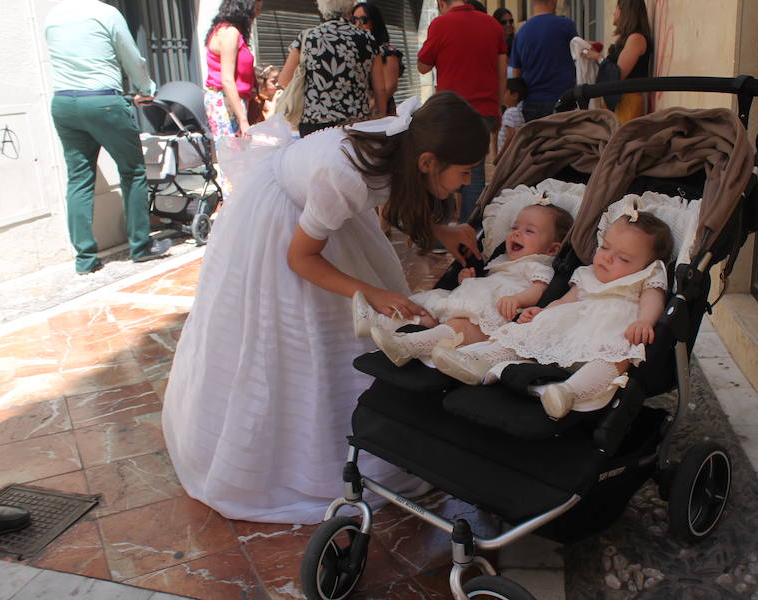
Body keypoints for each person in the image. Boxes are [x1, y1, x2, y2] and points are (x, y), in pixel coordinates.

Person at [161, 92, 489, 524]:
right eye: (463, 173)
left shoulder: (404, 142)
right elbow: (300, 260)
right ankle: (311, 466)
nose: (466, 183)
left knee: (353, 335)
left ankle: (382, 442)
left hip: (320, 213)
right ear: (429, 161)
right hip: (284, 228)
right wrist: (371, 292)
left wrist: (440, 230)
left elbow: (393, 188)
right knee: (301, 341)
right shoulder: (346, 177)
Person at [432, 210, 672, 423]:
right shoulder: (587, 274)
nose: (607, 257)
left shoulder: (646, 277)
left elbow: (654, 300)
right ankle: (477, 362)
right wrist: (544, 312)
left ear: (647, 265)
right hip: (570, 327)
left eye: (623, 258)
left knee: (614, 359)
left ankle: (569, 393)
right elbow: (566, 300)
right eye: (605, 247)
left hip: (608, 330)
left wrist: (644, 321)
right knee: (525, 336)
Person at [355, 202, 572, 366]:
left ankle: (408, 345)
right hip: (468, 301)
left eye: (529, 231)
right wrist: (468, 281)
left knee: (458, 327)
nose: (516, 232)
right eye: (515, 227)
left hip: (492, 314)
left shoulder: (538, 264)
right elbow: (489, 284)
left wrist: (517, 299)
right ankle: (381, 321)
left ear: (552, 249)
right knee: (427, 305)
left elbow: (539, 288)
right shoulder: (502, 259)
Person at [44, 0, 171, 275]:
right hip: (102, 101)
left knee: (79, 178)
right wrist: (146, 89)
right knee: (133, 170)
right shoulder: (106, 13)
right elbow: (132, 59)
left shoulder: (52, 16)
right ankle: (140, 246)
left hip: (63, 103)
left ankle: (85, 259)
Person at [418, 0, 508, 223]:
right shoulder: (493, 25)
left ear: (441, 2)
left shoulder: (440, 24)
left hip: (451, 111)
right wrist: (498, 107)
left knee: (442, 170)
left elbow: (423, 66)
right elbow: (502, 72)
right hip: (485, 108)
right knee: (474, 172)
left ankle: (441, 235)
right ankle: (470, 231)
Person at [278, 0, 388, 137]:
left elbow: (284, 79)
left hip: (314, 124)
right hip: (357, 124)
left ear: (321, 8)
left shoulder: (307, 38)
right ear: (350, 9)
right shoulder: (367, 39)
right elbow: (380, 89)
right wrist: (381, 118)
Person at [580, 0, 652, 123]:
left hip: (627, 104)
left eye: (616, 8)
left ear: (626, 12)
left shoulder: (636, 38)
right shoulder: (628, 39)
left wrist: (598, 57)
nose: (613, 13)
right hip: (621, 104)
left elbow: (618, 75)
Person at [510, 0, 579, 122]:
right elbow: (578, 58)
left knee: (537, 141)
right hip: (563, 99)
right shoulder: (566, 26)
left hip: (532, 102)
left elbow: (516, 74)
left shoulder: (521, 33)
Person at [204, 0, 262, 139]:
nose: (258, 13)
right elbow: (227, 80)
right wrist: (243, 120)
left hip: (229, 101)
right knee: (234, 154)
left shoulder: (223, 30)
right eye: (256, 9)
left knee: (235, 154)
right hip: (227, 102)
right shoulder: (230, 33)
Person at [352, 2, 404, 116]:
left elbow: (390, 87)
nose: (357, 24)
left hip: (380, 112)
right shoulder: (355, 50)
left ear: (374, 22)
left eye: (363, 20)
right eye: (354, 20)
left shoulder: (387, 51)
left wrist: (371, 108)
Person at [496, 77, 528, 161]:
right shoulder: (518, 112)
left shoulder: (509, 113)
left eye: (504, 91)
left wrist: (500, 156)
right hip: (515, 156)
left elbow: (511, 135)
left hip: (507, 158)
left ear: (514, 95)